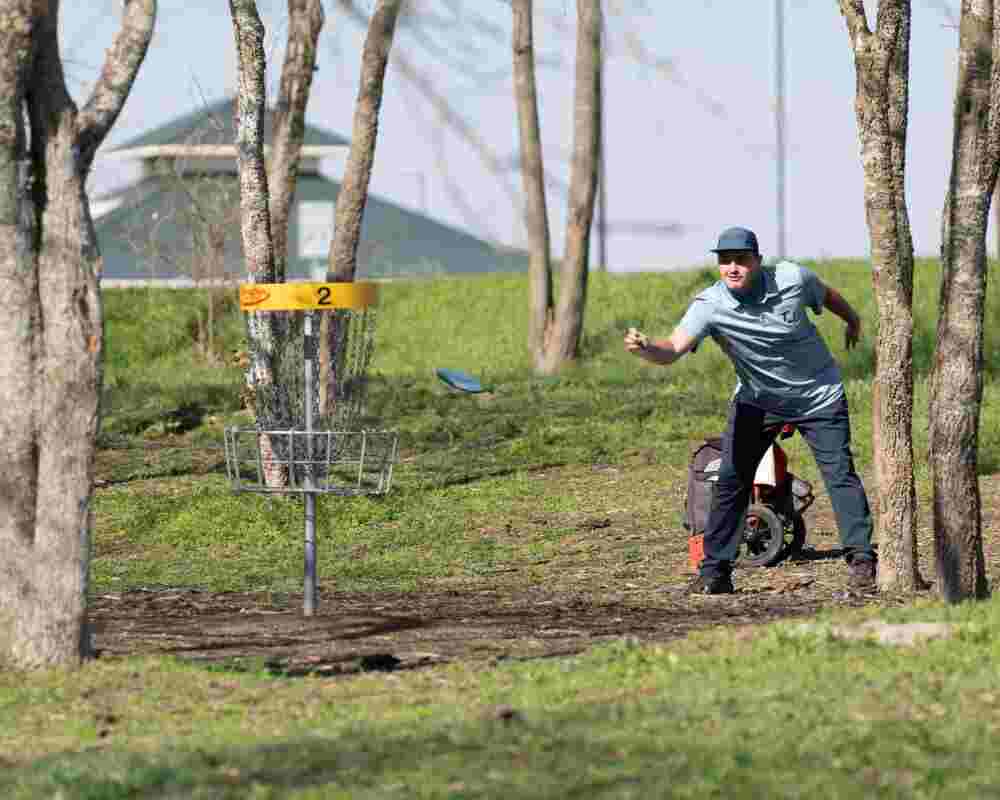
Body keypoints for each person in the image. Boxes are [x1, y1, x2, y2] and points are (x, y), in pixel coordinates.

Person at [624, 226, 876, 595]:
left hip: (818, 394)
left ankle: (862, 562)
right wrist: (647, 348)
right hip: (757, 399)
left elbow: (827, 295)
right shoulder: (710, 305)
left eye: (741, 260)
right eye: (725, 261)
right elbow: (673, 348)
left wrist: (852, 319)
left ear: (758, 261)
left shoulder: (792, 278)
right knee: (731, 479)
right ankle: (715, 573)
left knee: (840, 475)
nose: (733, 267)